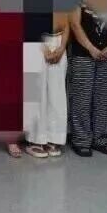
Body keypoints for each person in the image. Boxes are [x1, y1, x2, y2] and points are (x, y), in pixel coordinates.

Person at [68, 1, 107, 157]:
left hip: (106, 55)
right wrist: (91, 48)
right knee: (82, 99)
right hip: (83, 55)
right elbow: (75, 25)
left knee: (101, 99)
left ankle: (99, 137)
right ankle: (81, 140)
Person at [23, 11, 70, 159]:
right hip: (33, 42)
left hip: (58, 42)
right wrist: (43, 48)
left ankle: (53, 137)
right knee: (36, 94)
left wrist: (62, 47)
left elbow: (66, 23)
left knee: (57, 94)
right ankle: (34, 140)